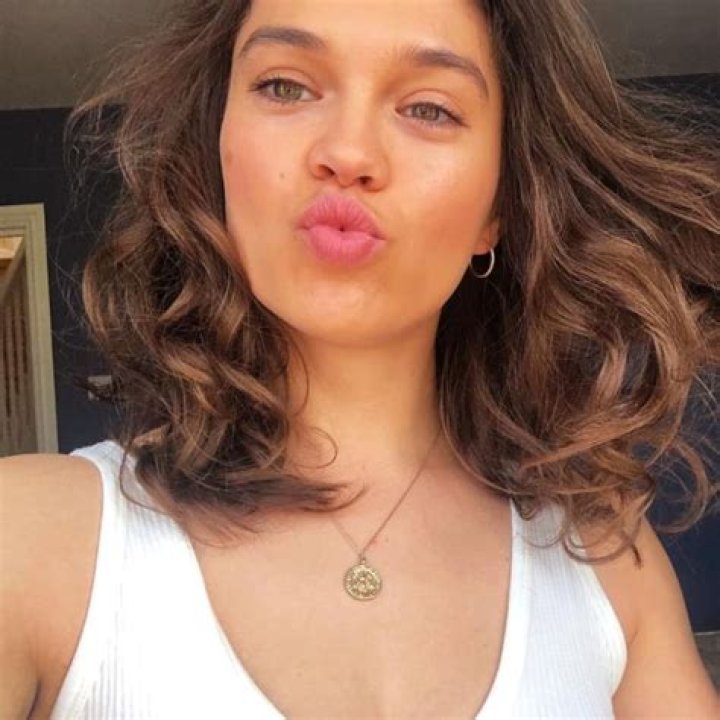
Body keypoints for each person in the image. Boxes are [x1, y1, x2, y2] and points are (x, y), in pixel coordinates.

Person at [2, 0, 719, 717]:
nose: (347, 152)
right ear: (217, 148)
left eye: (430, 109)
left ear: (497, 206)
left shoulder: (604, 558)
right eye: (285, 86)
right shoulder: (28, 538)